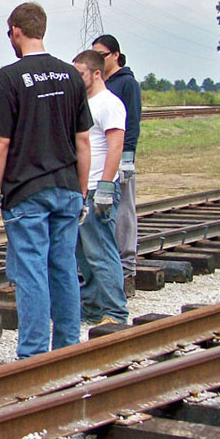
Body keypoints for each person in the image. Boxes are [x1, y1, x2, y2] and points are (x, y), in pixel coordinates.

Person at [0, 2, 92, 359]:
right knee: (63, 270)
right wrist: (83, 195)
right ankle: (68, 351)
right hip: (68, 189)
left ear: (15, 31)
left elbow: (0, 142)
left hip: (27, 193)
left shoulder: (10, 78)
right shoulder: (71, 76)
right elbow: (83, 141)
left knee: (31, 274)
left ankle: (34, 358)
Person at [73, 50, 128, 326]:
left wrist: (107, 185)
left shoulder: (109, 104)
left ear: (96, 73)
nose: (76, 78)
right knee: (84, 253)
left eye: (81, 73)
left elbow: (115, 145)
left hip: (99, 188)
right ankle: (93, 307)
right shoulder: (84, 103)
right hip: (84, 188)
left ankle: (115, 312)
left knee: (101, 251)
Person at [92, 35, 142, 283]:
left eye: (101, 55)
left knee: (124, 208)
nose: (97, 60)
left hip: (120, 155)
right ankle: (107, 261)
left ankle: (127, 263)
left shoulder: (127, 84)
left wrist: (127, 157)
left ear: (115, 55)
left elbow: (131, 122)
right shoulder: (99, 83)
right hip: (100, 156)